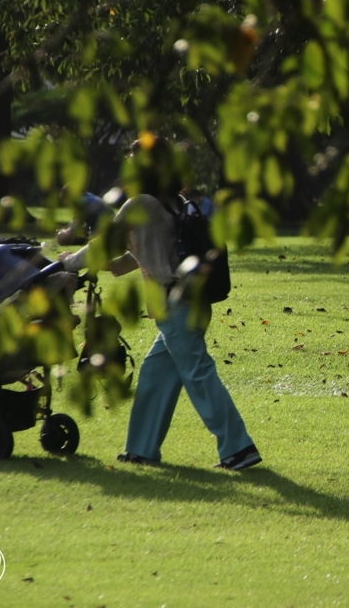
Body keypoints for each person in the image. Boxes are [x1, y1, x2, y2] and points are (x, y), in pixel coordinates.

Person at [58, 138, 260, 470]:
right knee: (155, 373)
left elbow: (103, 245)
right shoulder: (174, 203)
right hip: (192, 302)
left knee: (199, 375)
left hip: (175, 305)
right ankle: (141, 449)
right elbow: (130, 259)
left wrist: (68, 263)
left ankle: (238, 448)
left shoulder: (140, 205)